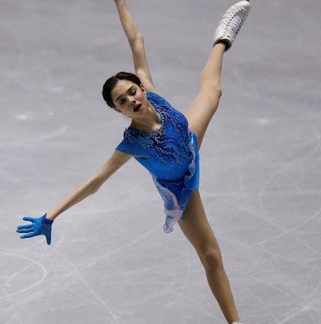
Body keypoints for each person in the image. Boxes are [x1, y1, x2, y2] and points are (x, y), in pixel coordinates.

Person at [17, 1, 251, 323]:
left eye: (132, 92)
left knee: (213, 90)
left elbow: (136, 40)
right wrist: (51, 216)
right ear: (118, 111)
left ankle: (222, 39)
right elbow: (94, 183)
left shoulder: (152, 94)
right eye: (122, 101)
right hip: (179, 186)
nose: (131, 100)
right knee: (210, 256)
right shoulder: (132, 144)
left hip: (188, 138)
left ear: (141, 87)